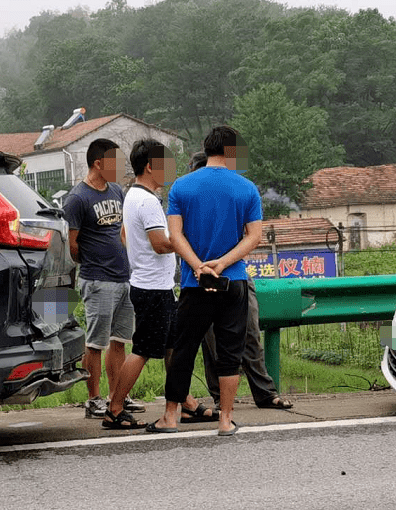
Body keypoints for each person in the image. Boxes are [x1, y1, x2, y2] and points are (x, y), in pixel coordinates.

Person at [148, 125, 263, 436]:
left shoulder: (181, 188)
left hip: (194, 283)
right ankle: (225, 420)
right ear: (231, 151)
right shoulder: (247, 188)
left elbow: (175, 235)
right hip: (234, 281)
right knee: (230, 352)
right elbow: (254, 236)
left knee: (184, 348)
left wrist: (199, 266)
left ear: (208, 149)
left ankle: (171, 417)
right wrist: (224, 262)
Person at [103, 139, 218, 428]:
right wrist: (185, 243)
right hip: (153, 289)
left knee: (172, 349)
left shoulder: (132, 195)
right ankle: (114, 409)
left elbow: (128, 237)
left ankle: (187, 403)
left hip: (150, 284)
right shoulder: (149, 201)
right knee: (142, 350)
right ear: (150, 166)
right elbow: (160, 244)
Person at [187, 151, 293, 411]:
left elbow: (251, 234)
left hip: (237, 275)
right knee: (212, 344)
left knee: (250, 334)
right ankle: (220, 399)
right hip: (201, 277)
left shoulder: (236, 194)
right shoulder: (187, 198)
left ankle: (265, 393)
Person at [63, 138, 144, 419]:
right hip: (98, 279)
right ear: (99, 163)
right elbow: (72, 245)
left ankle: (117, 395)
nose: (120, 167)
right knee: (96, 342)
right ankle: (93, 398)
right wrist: (94, 263)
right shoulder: (77, 198)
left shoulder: (117, 191)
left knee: (119, 340)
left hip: (123, 278)